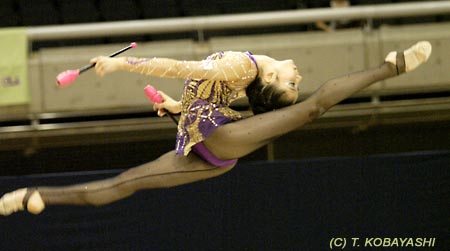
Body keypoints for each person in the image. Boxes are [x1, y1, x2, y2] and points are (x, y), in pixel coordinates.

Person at [0, 41, 432, 216]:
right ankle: (38, 196)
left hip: (220, 138)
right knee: (127, 182)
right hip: (212, 149)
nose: (296, 75)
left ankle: (389, 67)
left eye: (291, 83)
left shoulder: (243, 67)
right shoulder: (242, 68)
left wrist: (122, 64)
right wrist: (176, 104)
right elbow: (196, 85)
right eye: (293, 82)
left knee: (314, 108)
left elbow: (184, 72)